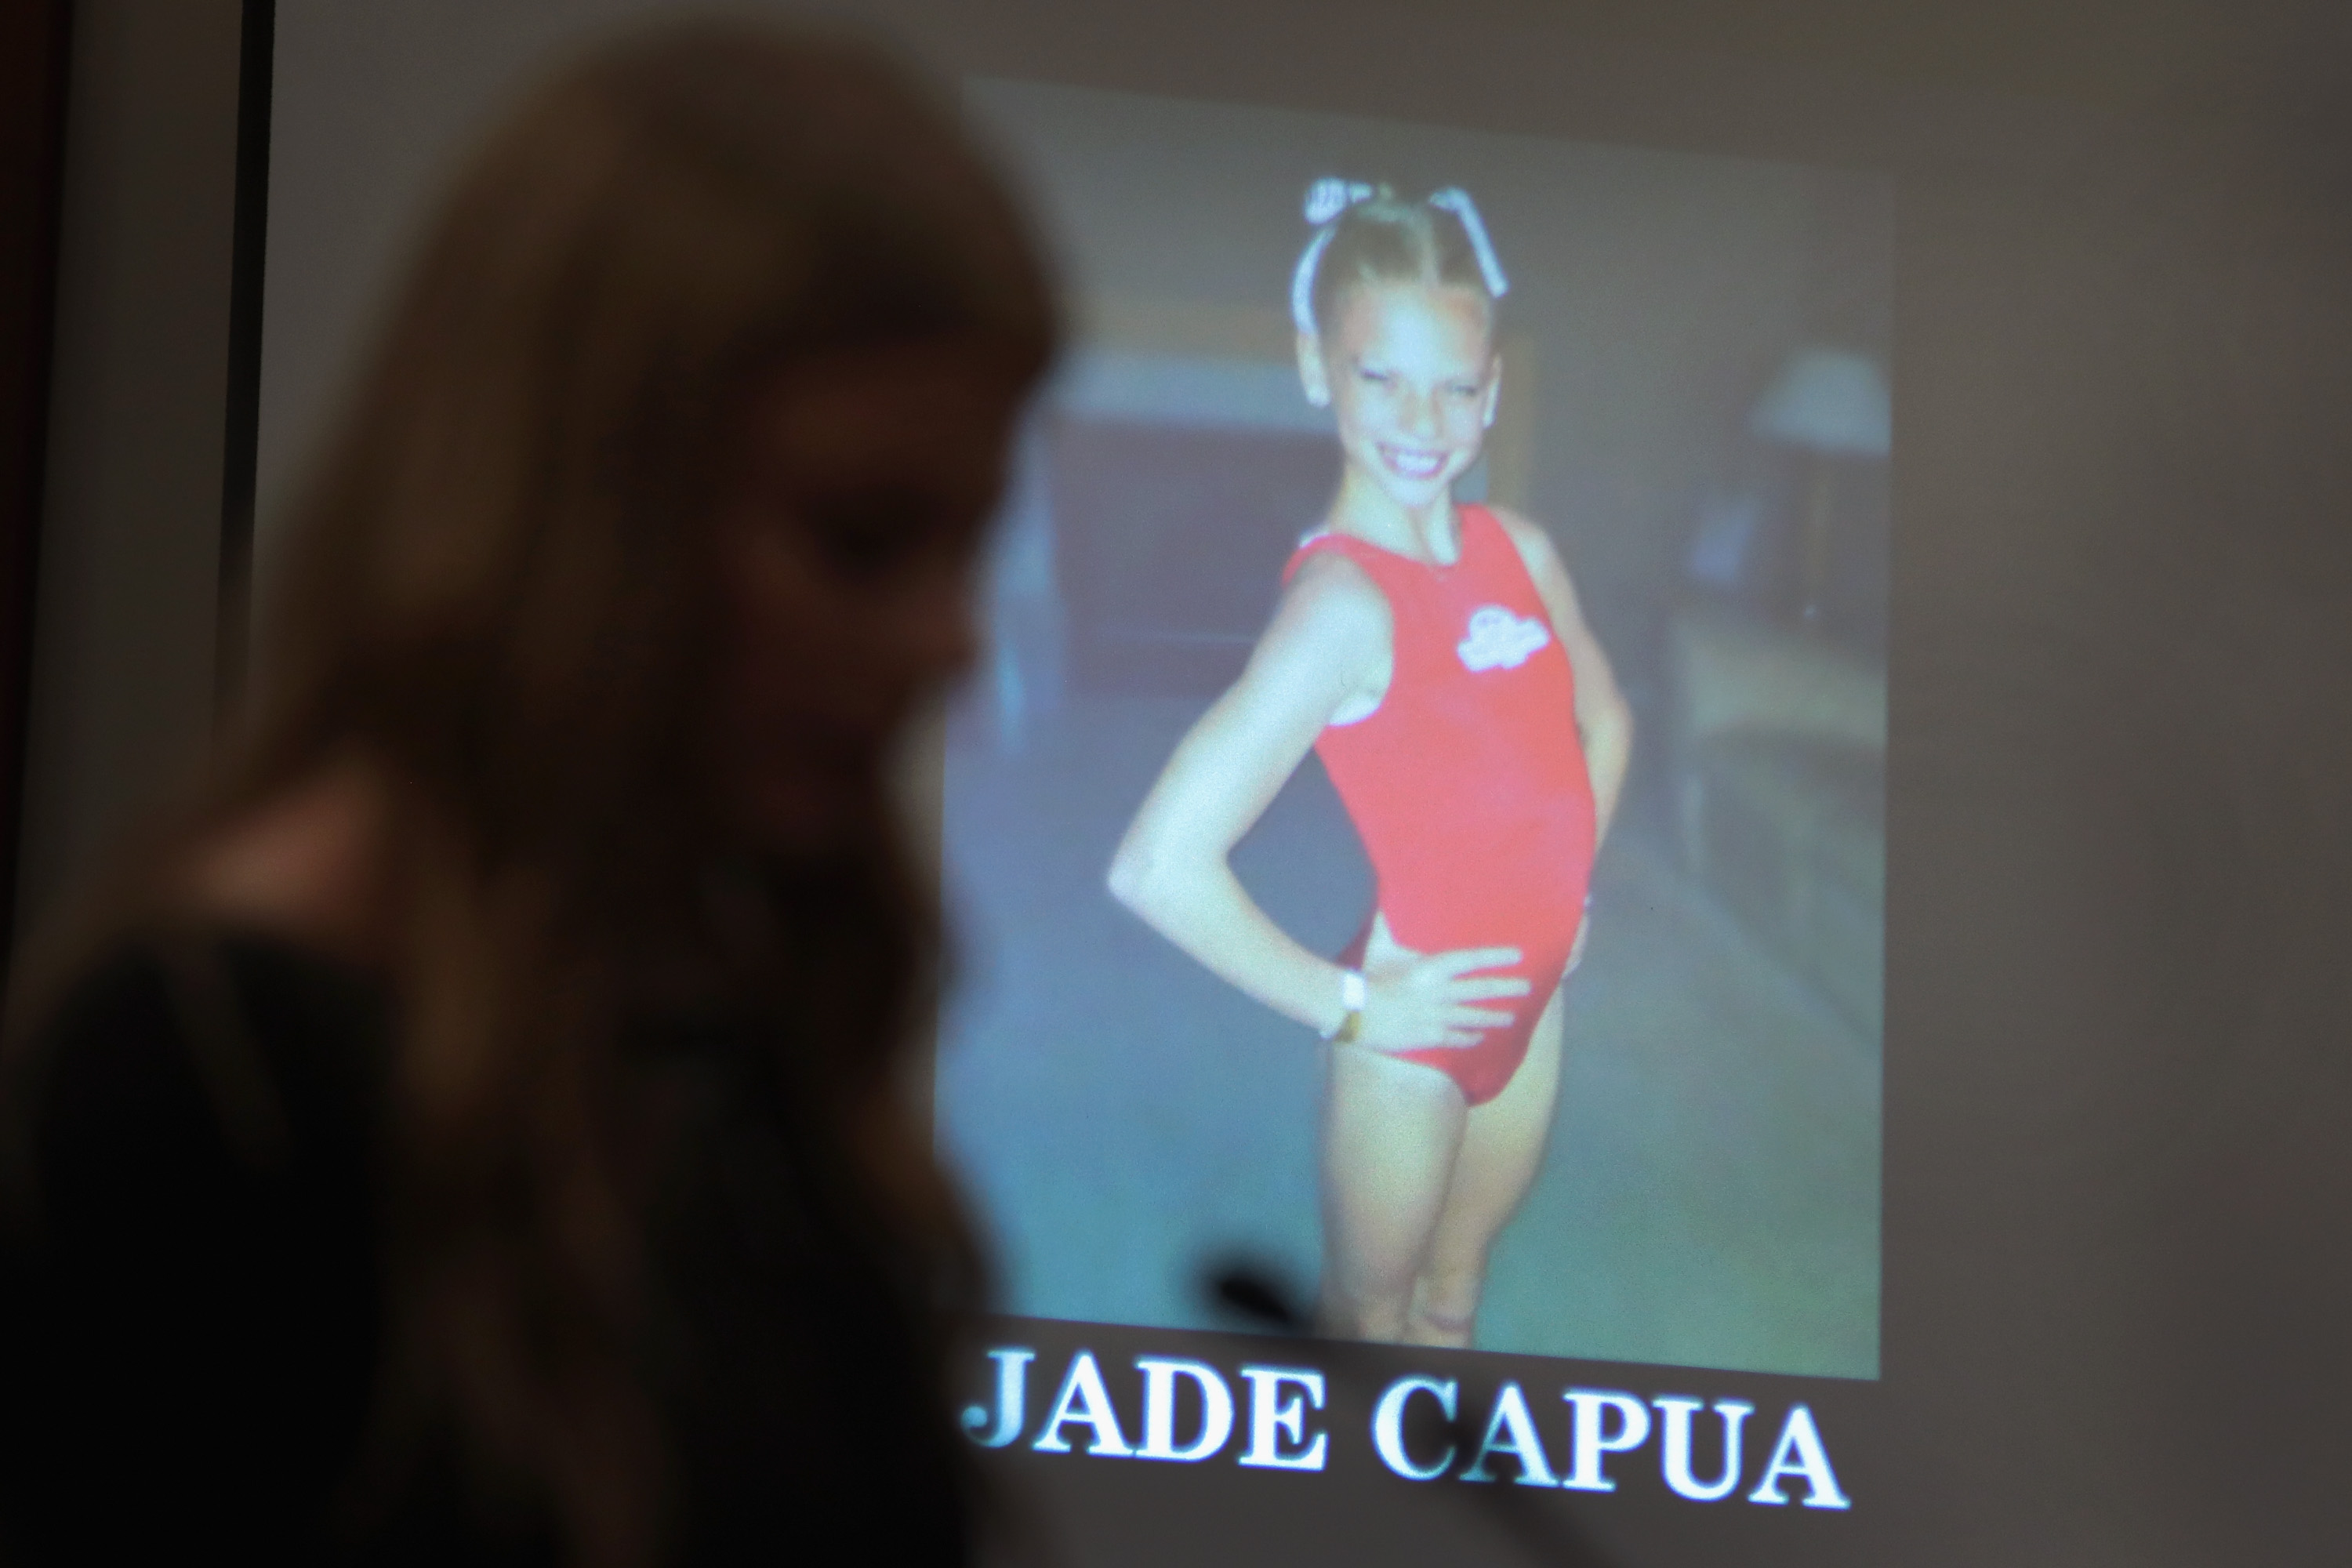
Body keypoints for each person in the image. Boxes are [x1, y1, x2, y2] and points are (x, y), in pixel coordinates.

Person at [0, 20, 1054, 1567]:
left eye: (965, 550)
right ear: (584, 501)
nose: (947, 641)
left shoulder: (743, 1014)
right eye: (859, 541)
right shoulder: (203, 1076)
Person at [1108, 181, 1632, 1349]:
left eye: (1455, 385)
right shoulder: (1341, 608)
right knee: (1369, 1314)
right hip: (1411, 1041)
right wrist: (1354, 1010)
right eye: (1377, 376)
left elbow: (1607, 723)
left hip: (1534, 1011)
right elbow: (1155, 867)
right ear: (1315, 368)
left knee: (1453, 1300)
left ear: (1492, 387)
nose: (1422, 419)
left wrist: (1575, 888)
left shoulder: (1524, 553)